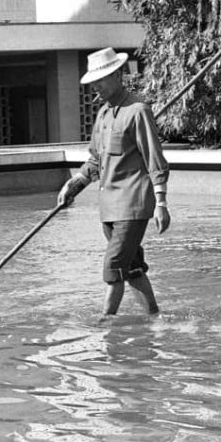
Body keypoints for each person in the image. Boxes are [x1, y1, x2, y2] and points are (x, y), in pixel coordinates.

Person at [57, 46, 170, 316]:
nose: (96, 85)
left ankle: (105, 325)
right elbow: (95, 161)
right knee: (131, 269)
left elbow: (155, 159)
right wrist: (72, 186)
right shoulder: (103, 115)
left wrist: (161, 203)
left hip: (132, 205)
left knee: (113, 267)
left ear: (118, 75)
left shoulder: (138, 111)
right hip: (109, 208)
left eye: (101, 79)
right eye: (93, 80)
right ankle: (155, 319)